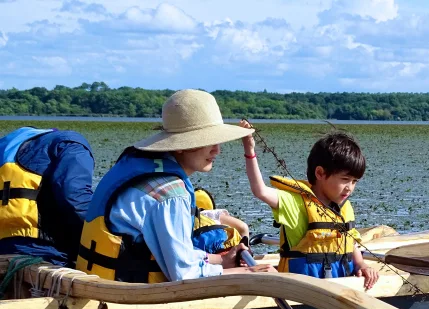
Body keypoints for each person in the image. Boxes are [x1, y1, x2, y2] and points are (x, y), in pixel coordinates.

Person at [76, 90, 274, 283]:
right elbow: (185, 275)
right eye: (209, 142)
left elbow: (178, 254)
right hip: (123, 297)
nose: (217, 150)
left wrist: (222, 260)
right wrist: (248, 272)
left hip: (101, 279)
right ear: (180, 145)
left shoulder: (144, 168)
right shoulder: (170, 194)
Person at [240, 122, 379, 290]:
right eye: (345, 179)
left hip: (340, 287)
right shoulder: (295, 203)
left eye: (354, 181)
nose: (350, 187)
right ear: (320, 173)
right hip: (300, 291)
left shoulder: (344, 207)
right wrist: (249, 149)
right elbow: (259, 190)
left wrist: (361, 264)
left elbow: (350, 242)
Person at [0, 127, 94, 267]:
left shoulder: (6, 144)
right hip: (46, 250)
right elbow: (74, 198)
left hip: (4, 247)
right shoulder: (71, 144)